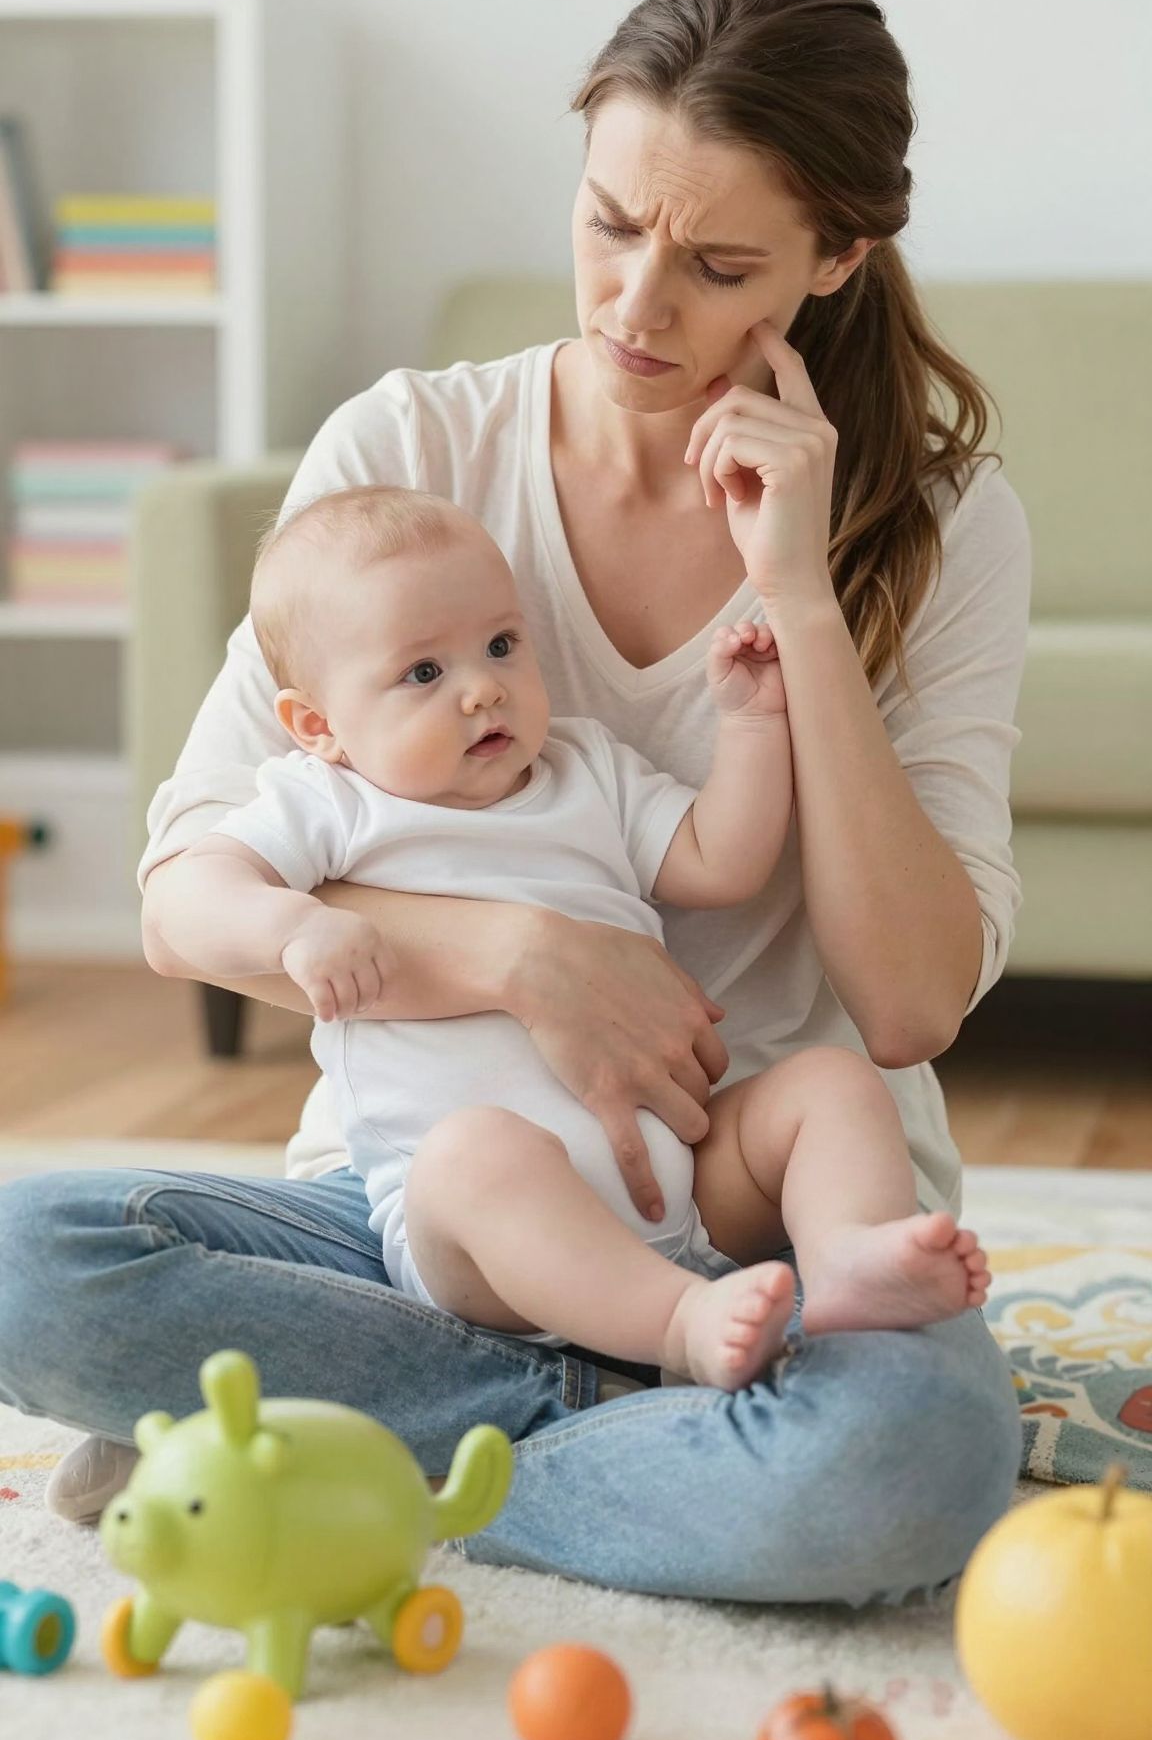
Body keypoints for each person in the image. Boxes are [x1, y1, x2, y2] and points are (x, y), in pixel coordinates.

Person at [0, 0, 1028, 1606]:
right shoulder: (409, 455)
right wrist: (522, 956)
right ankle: (624, 1431)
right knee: (28, 1263)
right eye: (608, 223)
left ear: (837, 257)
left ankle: (358, 1442)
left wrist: (798, 599)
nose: (634, 306)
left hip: (757, 1218)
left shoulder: (945, 520)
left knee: (906, 1468)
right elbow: (184, 898)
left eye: (716, 266)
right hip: (434, 1219)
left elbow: (905, 1005)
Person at [149, 484, 991, 1391]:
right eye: (424, 673)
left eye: (501, 645)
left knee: (833, 1083)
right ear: (318, 726)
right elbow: (190, 893)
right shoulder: (328, 803)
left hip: (681, 1188)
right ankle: (678, 1328)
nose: (483, 688)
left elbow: (720, 862)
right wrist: (291, 925)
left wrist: (751, 724)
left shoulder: (584, 768)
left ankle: (846, 1262)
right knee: (475, 1154)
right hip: (478, 1240)